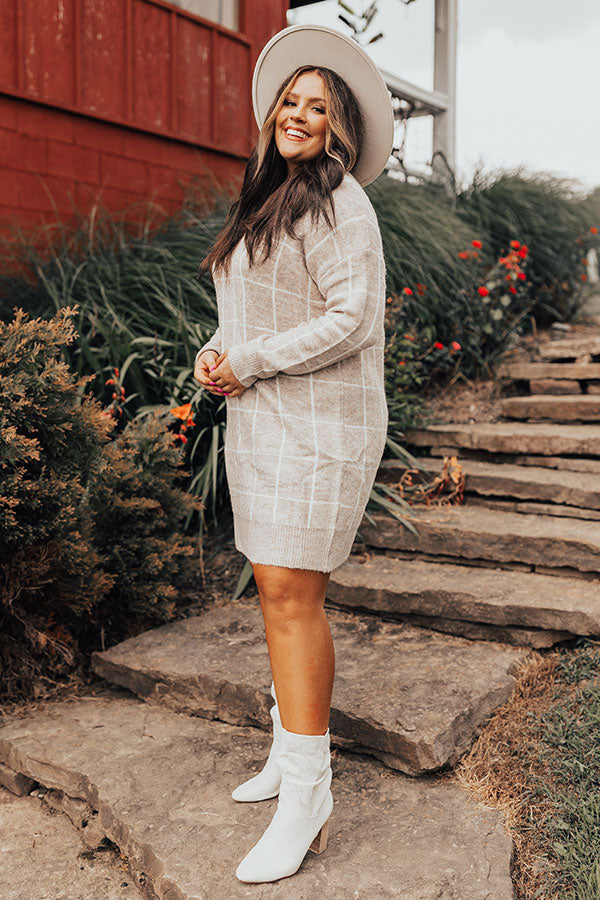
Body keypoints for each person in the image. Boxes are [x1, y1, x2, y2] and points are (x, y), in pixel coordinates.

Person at [193, 23, 394, 884]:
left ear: (338, 125)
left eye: (317, 106)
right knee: (275, 586)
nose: (298, 114)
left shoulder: (341, 201)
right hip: (267, 418)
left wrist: (252, 360)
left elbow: (353, 317)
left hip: (322, 426)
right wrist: (215, 352)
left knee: (289, 593)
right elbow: (251, 314)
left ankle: (309, 794)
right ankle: (289, 750)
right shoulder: (269, 197)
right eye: (290, 100)